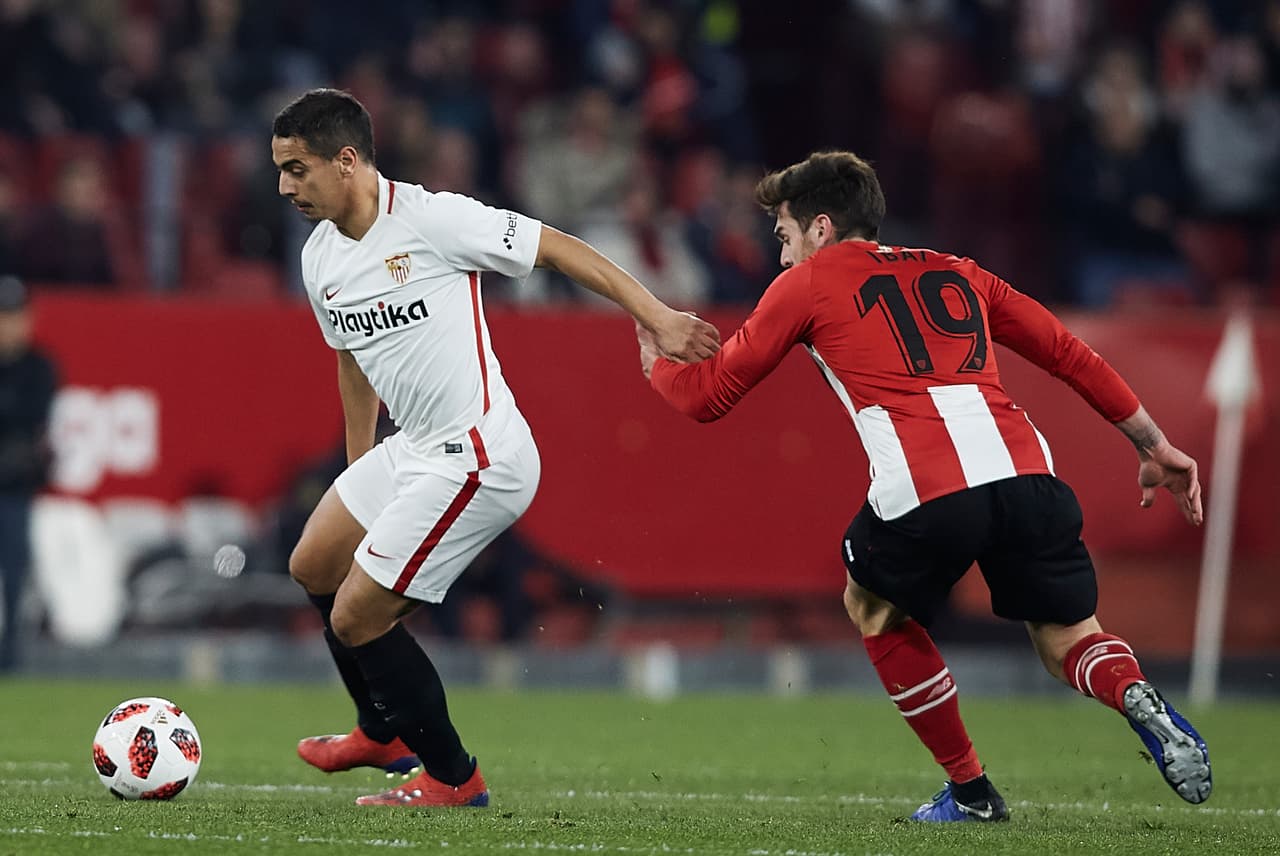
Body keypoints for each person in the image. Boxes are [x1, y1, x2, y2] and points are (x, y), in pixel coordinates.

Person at [636, 151, 1211, 822]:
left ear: (821, 228)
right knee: (1068, 637)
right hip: (1026, 471)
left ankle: (971, 793)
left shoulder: (810, 283)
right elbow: (1067, 352)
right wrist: (1154, 444)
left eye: (786, 235)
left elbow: (710, 396)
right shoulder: (959, 271)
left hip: (927, 484)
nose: (784, 255)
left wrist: (655, 369)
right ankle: (1134, 692)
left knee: (873, 607)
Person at [272, 88, 719, 808]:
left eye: (298, 169)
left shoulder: (433, 219)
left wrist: (658, 315)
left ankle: (454, 777)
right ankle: (379, 729)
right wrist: (359, 469)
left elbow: (558, 248)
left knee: (358, 617)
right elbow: (350, 359)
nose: (286, 186)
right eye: (281, 170)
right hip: (411, 446)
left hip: (481, 454)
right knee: (314, 562)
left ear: (346, 161)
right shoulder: (320, 255)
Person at [0, 276, 58, 671]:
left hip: (13, 489)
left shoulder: (38, 367)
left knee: (14, 573)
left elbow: (30, 418)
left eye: (14, 317)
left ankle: (10, 654)